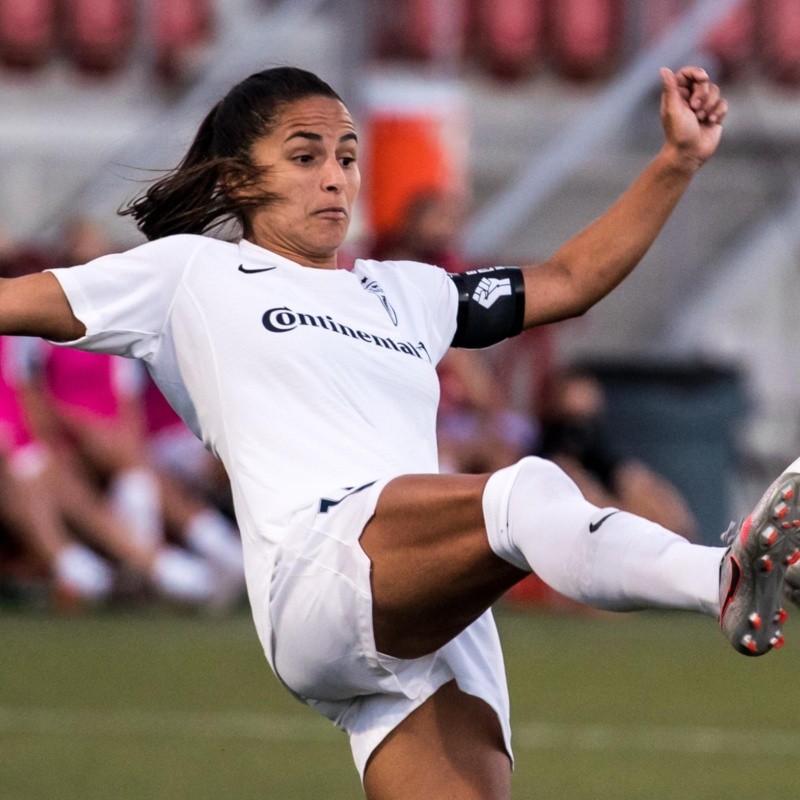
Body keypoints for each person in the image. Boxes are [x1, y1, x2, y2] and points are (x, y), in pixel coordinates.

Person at [0, 65, 795, 799]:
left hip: (432, 615)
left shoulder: (406, 292)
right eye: (305, 156)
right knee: (524, 493)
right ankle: (721, 580)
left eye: (347, 157)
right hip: (316, 573)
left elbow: (569, 280)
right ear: (241, 178)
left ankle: (727, 578)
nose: (335, 177)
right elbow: (19, 301)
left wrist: (677, 162)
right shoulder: (186, 275)